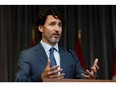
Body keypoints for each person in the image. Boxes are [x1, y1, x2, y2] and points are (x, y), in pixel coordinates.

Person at [15, 7, 99, 82]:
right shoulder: (27, 55)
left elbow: (81, 78)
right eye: (52, 24)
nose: (57, 29)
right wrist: (40, 78)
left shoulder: (70, 54)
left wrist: (90, 80)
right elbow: (19, 81)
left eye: (60, 25)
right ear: (41, 28)